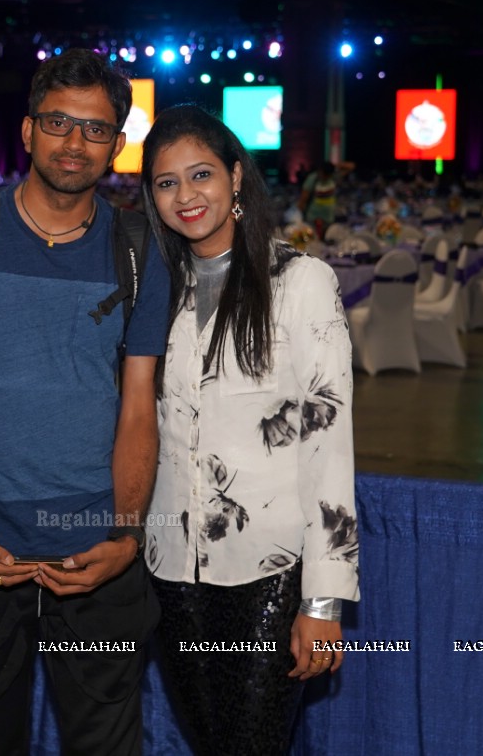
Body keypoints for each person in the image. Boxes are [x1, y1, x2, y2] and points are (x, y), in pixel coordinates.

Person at [0, 48, 170, 756]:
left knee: (104, 744)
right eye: (57, 123)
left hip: (96, 552)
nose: (74, 144)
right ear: (25, 131)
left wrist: (127, 538)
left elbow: (140, 411)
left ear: (117, 142)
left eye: (95, 129)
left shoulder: (139, 249)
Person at [140, 105, 359, 754]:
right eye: (166, 182)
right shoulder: (155, 293)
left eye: (200, 174)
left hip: (270, 569)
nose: (186, 195)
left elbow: (329, 444)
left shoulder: (300, 283)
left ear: (236, 176)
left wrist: (321, 603)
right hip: (172, 569)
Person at [298, 159, 353, 238]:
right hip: (313, 217)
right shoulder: (313, 178)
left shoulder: (333, 176)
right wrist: (301, 215)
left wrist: (335, 166)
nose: (325, 177)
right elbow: (304, 197)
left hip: (328, 217)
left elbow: (351, 166)